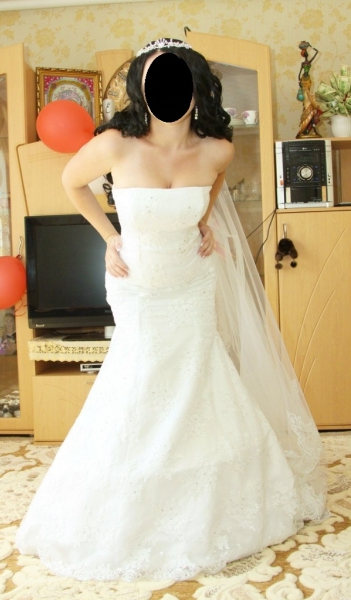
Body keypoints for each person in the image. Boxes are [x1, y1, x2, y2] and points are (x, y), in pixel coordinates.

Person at [16, 38, 327, 582]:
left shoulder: (217, 150)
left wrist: (201, 221)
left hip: (191, 278)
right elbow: (71, 182)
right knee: (140, 380)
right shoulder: (115, 144)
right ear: (141, 89)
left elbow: (214, 187)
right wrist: (109, 237)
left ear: (195, 90)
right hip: (137, 282)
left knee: (199, 375)